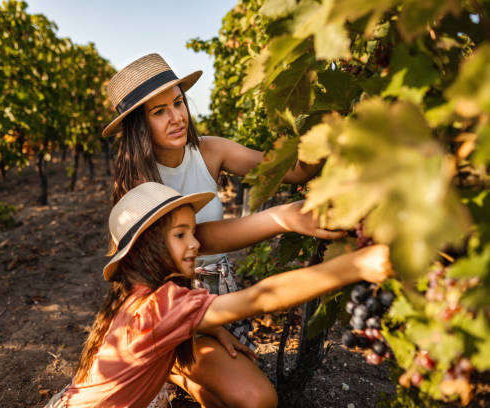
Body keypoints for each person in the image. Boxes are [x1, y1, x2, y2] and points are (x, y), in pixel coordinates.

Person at [102, 53, 345, 404]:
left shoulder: (209, 150)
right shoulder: (138, 185)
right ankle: (168, 363)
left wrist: (335, 131)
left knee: (225, 400)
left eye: (178, 102)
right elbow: (195, 240)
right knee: (255, 398)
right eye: (159, 112)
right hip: (170, 301)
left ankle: (181, 374)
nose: (176, 117)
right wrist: (280, 218)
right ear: (139, 125)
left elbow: (290, 171)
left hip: (218, 289)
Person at [44, 182, 393, 408]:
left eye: (192, 232)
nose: (196, 243)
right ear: (144, 250)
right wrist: (354, 267)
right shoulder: (161, 306)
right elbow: (260, 298)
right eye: (181, 235)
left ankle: (174, 377)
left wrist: (216, 329)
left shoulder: (135, 295)